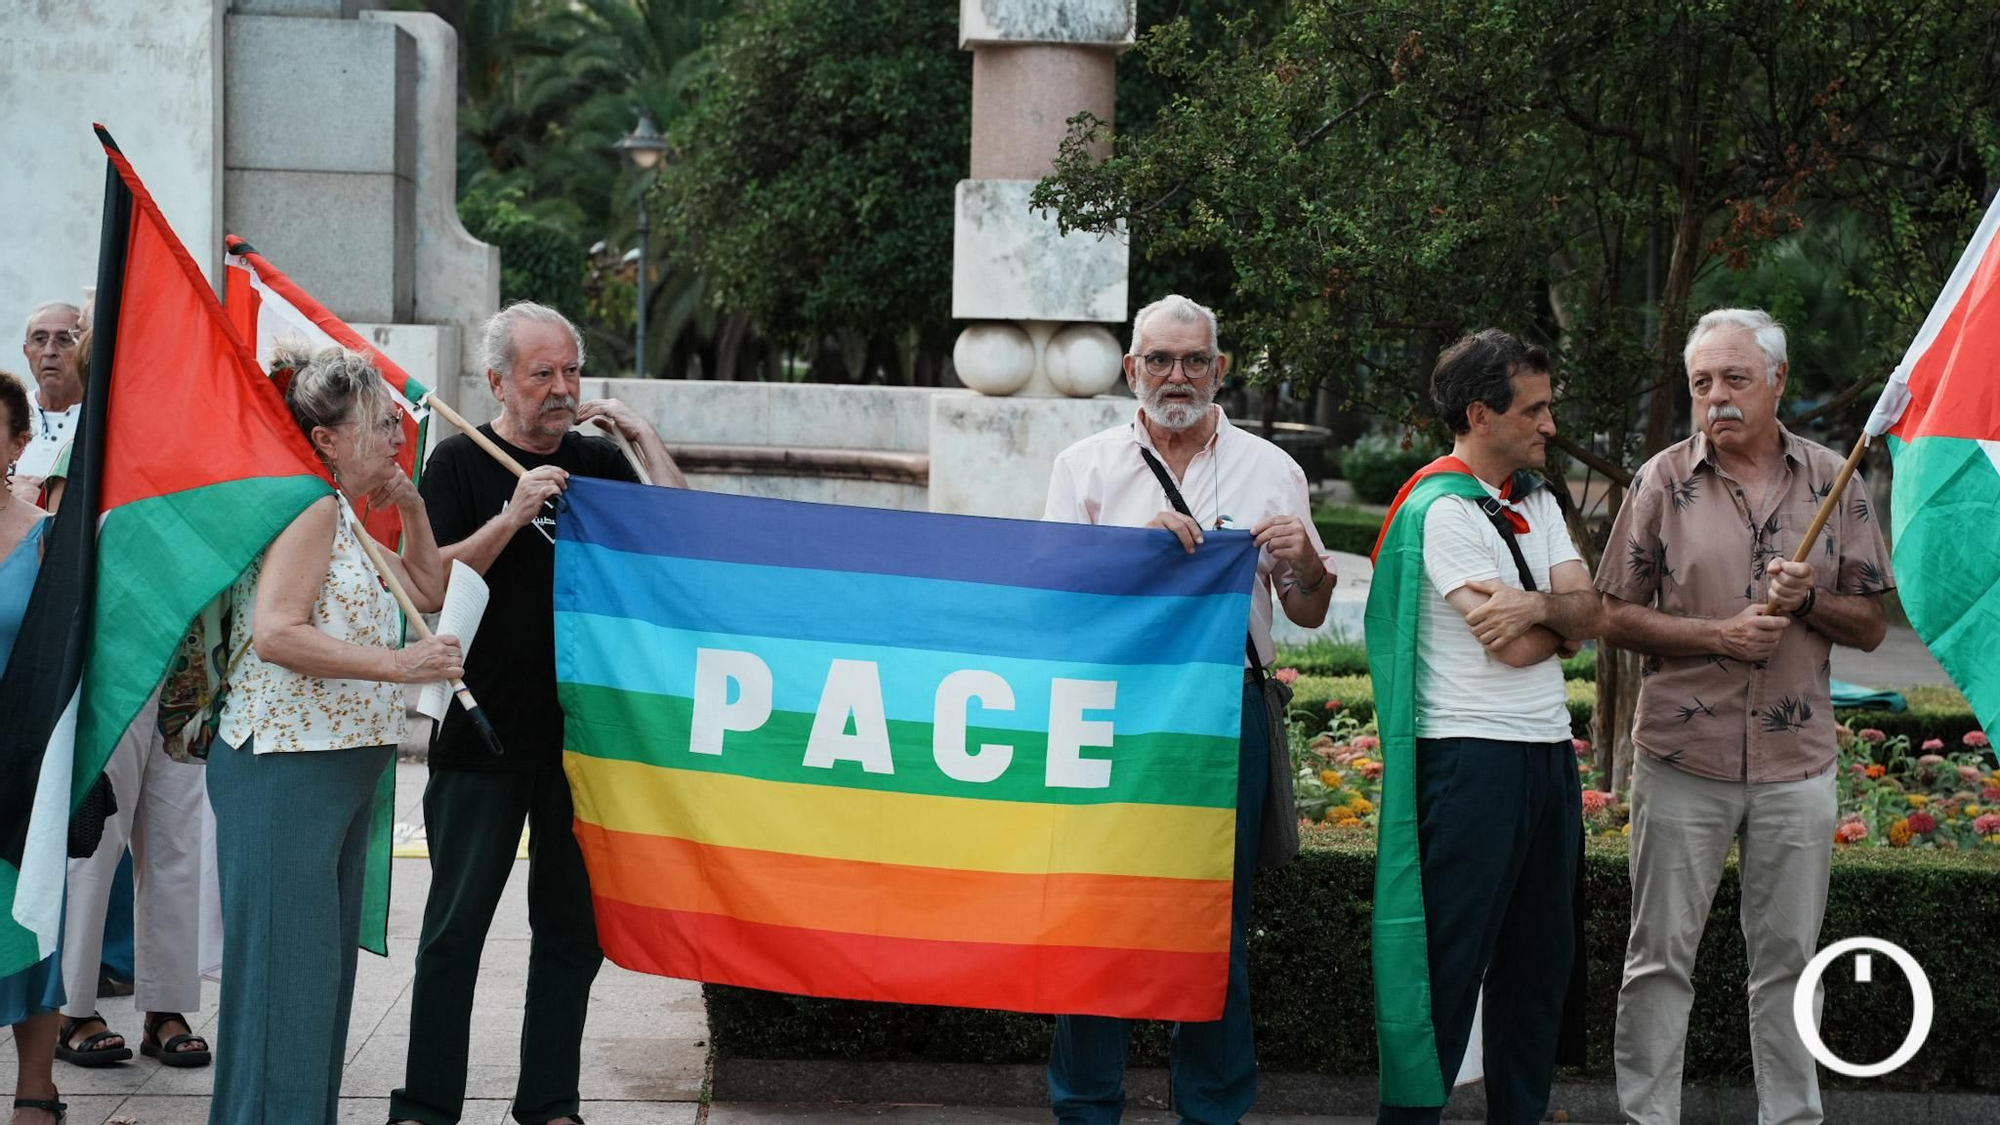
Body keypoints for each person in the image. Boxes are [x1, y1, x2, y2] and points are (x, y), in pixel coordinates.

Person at [1040, 294, 1334, 1125]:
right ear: (1132, 369)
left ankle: (1211, 1108)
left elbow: (1307, 609)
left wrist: (1310, 564)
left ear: (1219, 369)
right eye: (1161, 360)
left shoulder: (1272, 469)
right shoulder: (1086, 466)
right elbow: (1054, 601)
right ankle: (1086, 1106)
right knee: (1096, 913)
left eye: (1194, 359)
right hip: (1116, 713)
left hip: (1228, 713)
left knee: (1215, 922)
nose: (1178, 375)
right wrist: (1132, 553)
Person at [388, 301, 683, 1125]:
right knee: (454, 931)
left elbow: (682, 536)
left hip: (585, 738)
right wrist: (513, 515)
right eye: (541, 373)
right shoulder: (457, 460)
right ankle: (424, 1106)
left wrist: (642, 437)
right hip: (483, 731)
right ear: (497, 381)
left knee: (570, 935)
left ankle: (550, 1102)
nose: (561, 389)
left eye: (571, 372)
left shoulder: (597, 460)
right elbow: (432, 584)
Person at [1597, 308, 1892, 1125]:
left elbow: (1872, 623)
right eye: (1702, 382)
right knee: (1659, 958)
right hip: (1681, 758)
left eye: (1734, 378)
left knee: (1792, 963)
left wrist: (1811, 601)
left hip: (1797, 763)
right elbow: (1613, 614)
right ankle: (1648, 1118)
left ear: (1777, 379)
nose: (1717, 397)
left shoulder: (1835, 478)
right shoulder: (1661, 480)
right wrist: (1715, 635)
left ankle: (1792, 1118)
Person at [206, 344, 462, 1125]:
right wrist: (399, 664)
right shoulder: (311, 506)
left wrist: (412, 505)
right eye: (382, 423)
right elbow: (276, 632)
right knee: (285, 986)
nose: (397, 436)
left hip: (336, 772)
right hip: (286, 769)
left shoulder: (341, 512)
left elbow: (427, 587)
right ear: (327, 438)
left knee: (313, 986)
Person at [1365, 331, 1598, 1124]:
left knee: (1540, 961)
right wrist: (1557, 620)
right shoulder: (1441, 508)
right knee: (1449, 964)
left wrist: (1542, 610)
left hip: (1546, 753)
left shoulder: (1537, 497)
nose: (1549, 424)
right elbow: (1518, 648)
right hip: (1469, 758)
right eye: (1534, 409)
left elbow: (1589, 612)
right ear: (1478, 413)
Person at [47, 326, 209, 1072]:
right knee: (93, 843)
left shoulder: (197, 456)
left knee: (176, 845)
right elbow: (58, 563)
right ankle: (71, 1008)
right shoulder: (83, 455)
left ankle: (166, 1007)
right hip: (107, 677)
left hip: (186, 678)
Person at [1, 370, 64, 1124]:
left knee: (29, 917)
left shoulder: (48, 539)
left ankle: (36, 1088)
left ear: (19, 443)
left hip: (21, 759)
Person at [11, 303, 83, 507]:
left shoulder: (105, 419)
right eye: (40, 339)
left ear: (86, 350)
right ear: (26, 351)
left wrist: (45, 499)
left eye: (64, 340)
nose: (50, 351)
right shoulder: (7, 411)